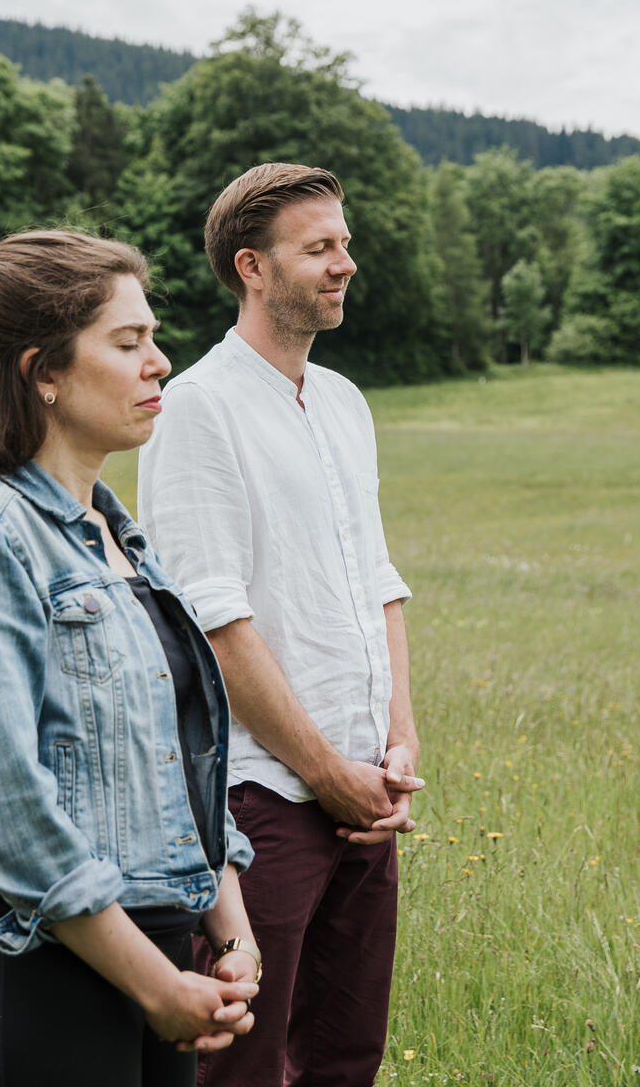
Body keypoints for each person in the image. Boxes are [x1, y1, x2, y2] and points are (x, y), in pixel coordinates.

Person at [0, 230, 261, 1086]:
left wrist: (232, 935)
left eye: (153, 337)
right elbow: (6, 808)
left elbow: (183, 760)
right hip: (50, 979)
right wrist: (157, 984)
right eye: (127, 343)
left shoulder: (117, 533)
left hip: (164, 958)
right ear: (42, 372)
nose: (160, 363)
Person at [138, 162, 424, 1087]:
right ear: (252, 267)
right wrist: (325, 774)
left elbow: (378, 582)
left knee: (346, 1056)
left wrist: (397, 742)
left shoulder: (344, 401)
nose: (345, 263)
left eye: (345, 243)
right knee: (244, 1066)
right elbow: (214, 622)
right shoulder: (197, 408)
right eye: (319, 248)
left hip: (366, 792)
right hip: (262, 800)